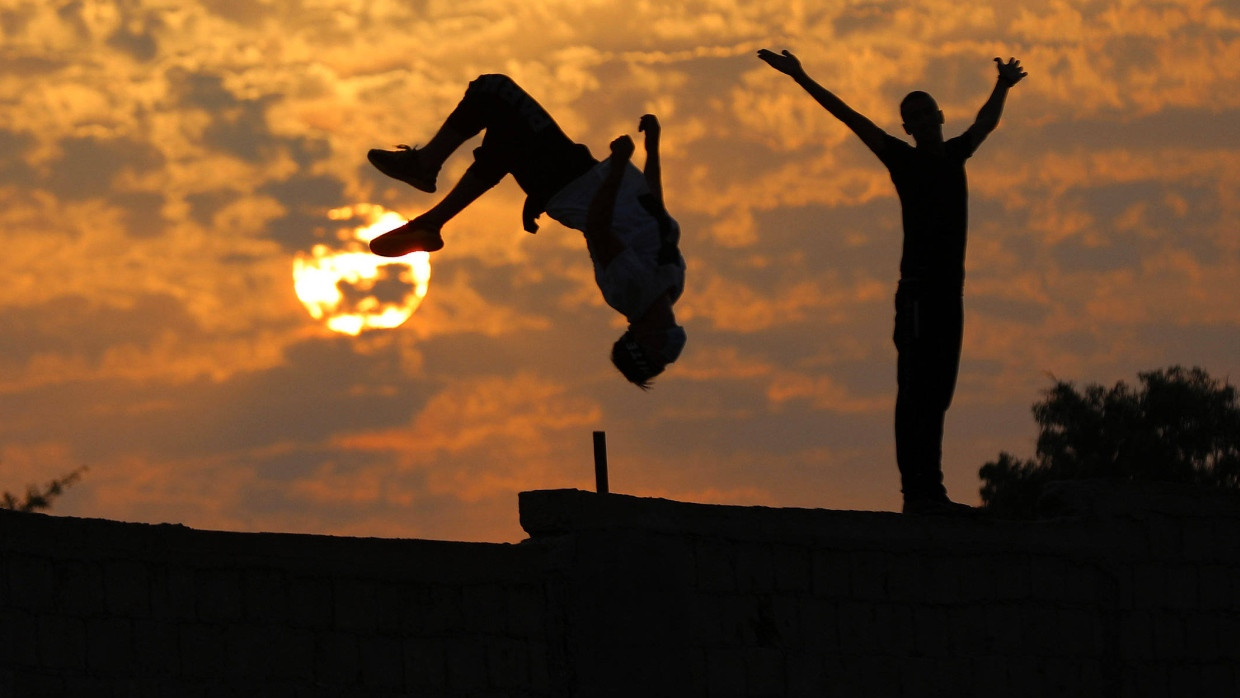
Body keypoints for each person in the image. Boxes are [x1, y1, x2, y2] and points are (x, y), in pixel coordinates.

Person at [757, 49, 1027, 515]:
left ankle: (932, 492)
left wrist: (1002, 86)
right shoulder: (903, 161)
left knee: (939, 392)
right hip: (919, 293)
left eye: (927, 113)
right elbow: (849, 116)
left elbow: (986, 123)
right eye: (912, 117)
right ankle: (916, 494)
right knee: (916, 390)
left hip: (948, 295)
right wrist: (801, 76)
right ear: (906, 128)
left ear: (940, 117)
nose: (922, 121)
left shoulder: (956, 155)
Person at [366, 74, 686, 388]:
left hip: (569, 181)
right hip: (576, 176)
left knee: (494, 91)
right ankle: (430, 221)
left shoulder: (629, 290)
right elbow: (652, 208)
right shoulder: (672, 283)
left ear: (641, 340)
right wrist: (653, 146)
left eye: (660, 357)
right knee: (504, 138)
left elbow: (599, 226)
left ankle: (425, 170)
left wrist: (618, 165)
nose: (669, 354)